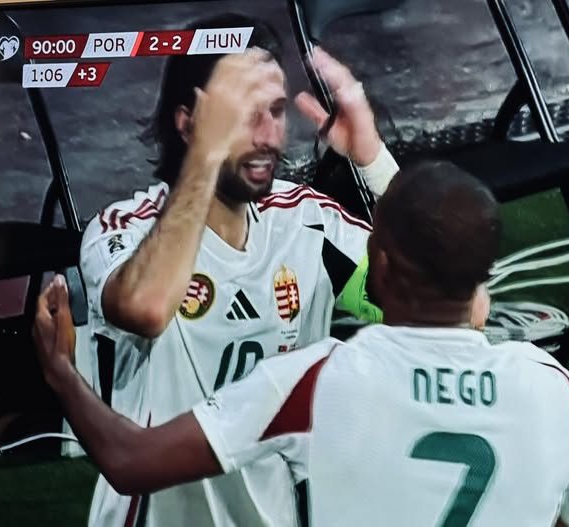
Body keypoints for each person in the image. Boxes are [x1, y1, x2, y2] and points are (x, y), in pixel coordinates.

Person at [36, 160, 569, 526]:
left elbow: (131, 462)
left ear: (380, 266)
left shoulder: (321, 381)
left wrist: (61, 370)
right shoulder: (557, 394)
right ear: (483, 278)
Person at [78, 12, 419, 527]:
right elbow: (145, 309)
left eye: (275, 111)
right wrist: (205, 156)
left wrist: (371, 158)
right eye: (241, 115)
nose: (267, 135)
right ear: (187, 122)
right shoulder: (124, 229)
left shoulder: (307, 224)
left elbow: (446, 306)